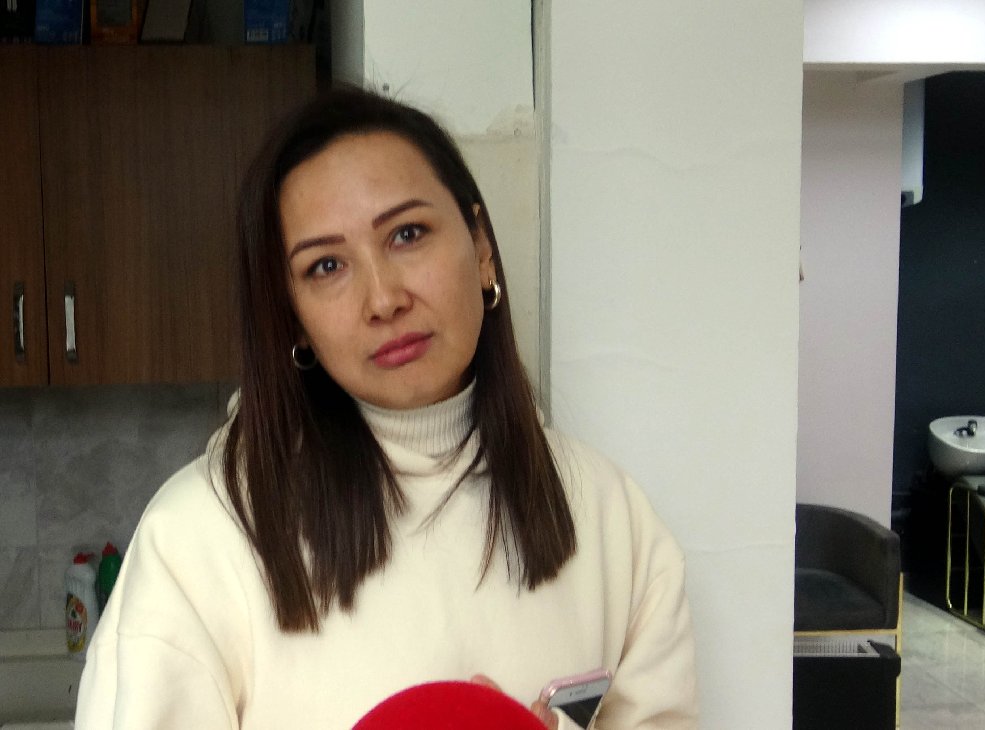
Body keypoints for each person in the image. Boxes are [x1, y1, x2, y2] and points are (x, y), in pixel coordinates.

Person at [74, 87, 698, 729]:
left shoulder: (609, 518)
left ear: (482, 246)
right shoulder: (198, 542)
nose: (383, 299)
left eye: (407, 234)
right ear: (292, 315)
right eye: (326, 266)